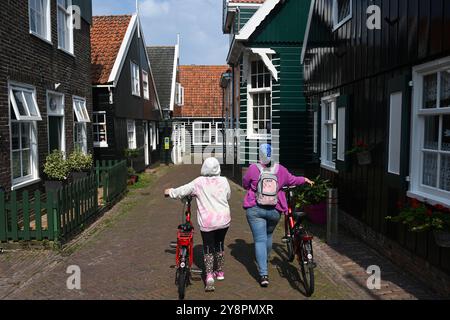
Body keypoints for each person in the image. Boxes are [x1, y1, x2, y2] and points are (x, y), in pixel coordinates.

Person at [243, 144, 314, 287]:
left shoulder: (253, 168)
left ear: (259, 155)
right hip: (274, 210)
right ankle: (266, 258)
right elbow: (293, 180)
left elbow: (245, 184)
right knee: (268, 236)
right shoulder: (280, 169)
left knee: (259, 240)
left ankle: (263, 274)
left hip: (255, 209)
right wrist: (304, 179)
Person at [165, 157, 231, 292]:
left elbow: (182, 190)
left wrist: (170, 191)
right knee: (219, 243)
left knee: (207, 247)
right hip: (223, 219)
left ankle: (209, 276)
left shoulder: (199, 182)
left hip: (208, 221)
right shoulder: (224, 181)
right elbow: (228, 196)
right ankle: (220, 272)